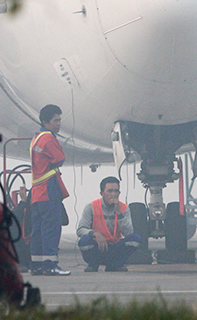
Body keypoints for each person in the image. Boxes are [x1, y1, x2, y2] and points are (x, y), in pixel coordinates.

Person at [29, 104, 71, 276]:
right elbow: (60, 158)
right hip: (48, 188)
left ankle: (37, 264)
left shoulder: (37, 137)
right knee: (51, 227)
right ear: (46, 121)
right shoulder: (48, 138)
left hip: (37, 190)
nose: (59, 123)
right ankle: (50, 264)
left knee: (38, 229)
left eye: (60, 120)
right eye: (56, 120)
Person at [77, 176, 141, 272]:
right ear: (102, 193)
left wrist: (119, 213)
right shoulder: (91, 207)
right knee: (84, 241)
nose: (113, 194)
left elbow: (128, 233)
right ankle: (93, 264)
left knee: (135, 239)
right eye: (110, 191)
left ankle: (115, 265)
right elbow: (81, 229)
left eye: (116, 191)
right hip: (98, 246)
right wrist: (94, 234)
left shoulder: (124, 208)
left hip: (114, 246)